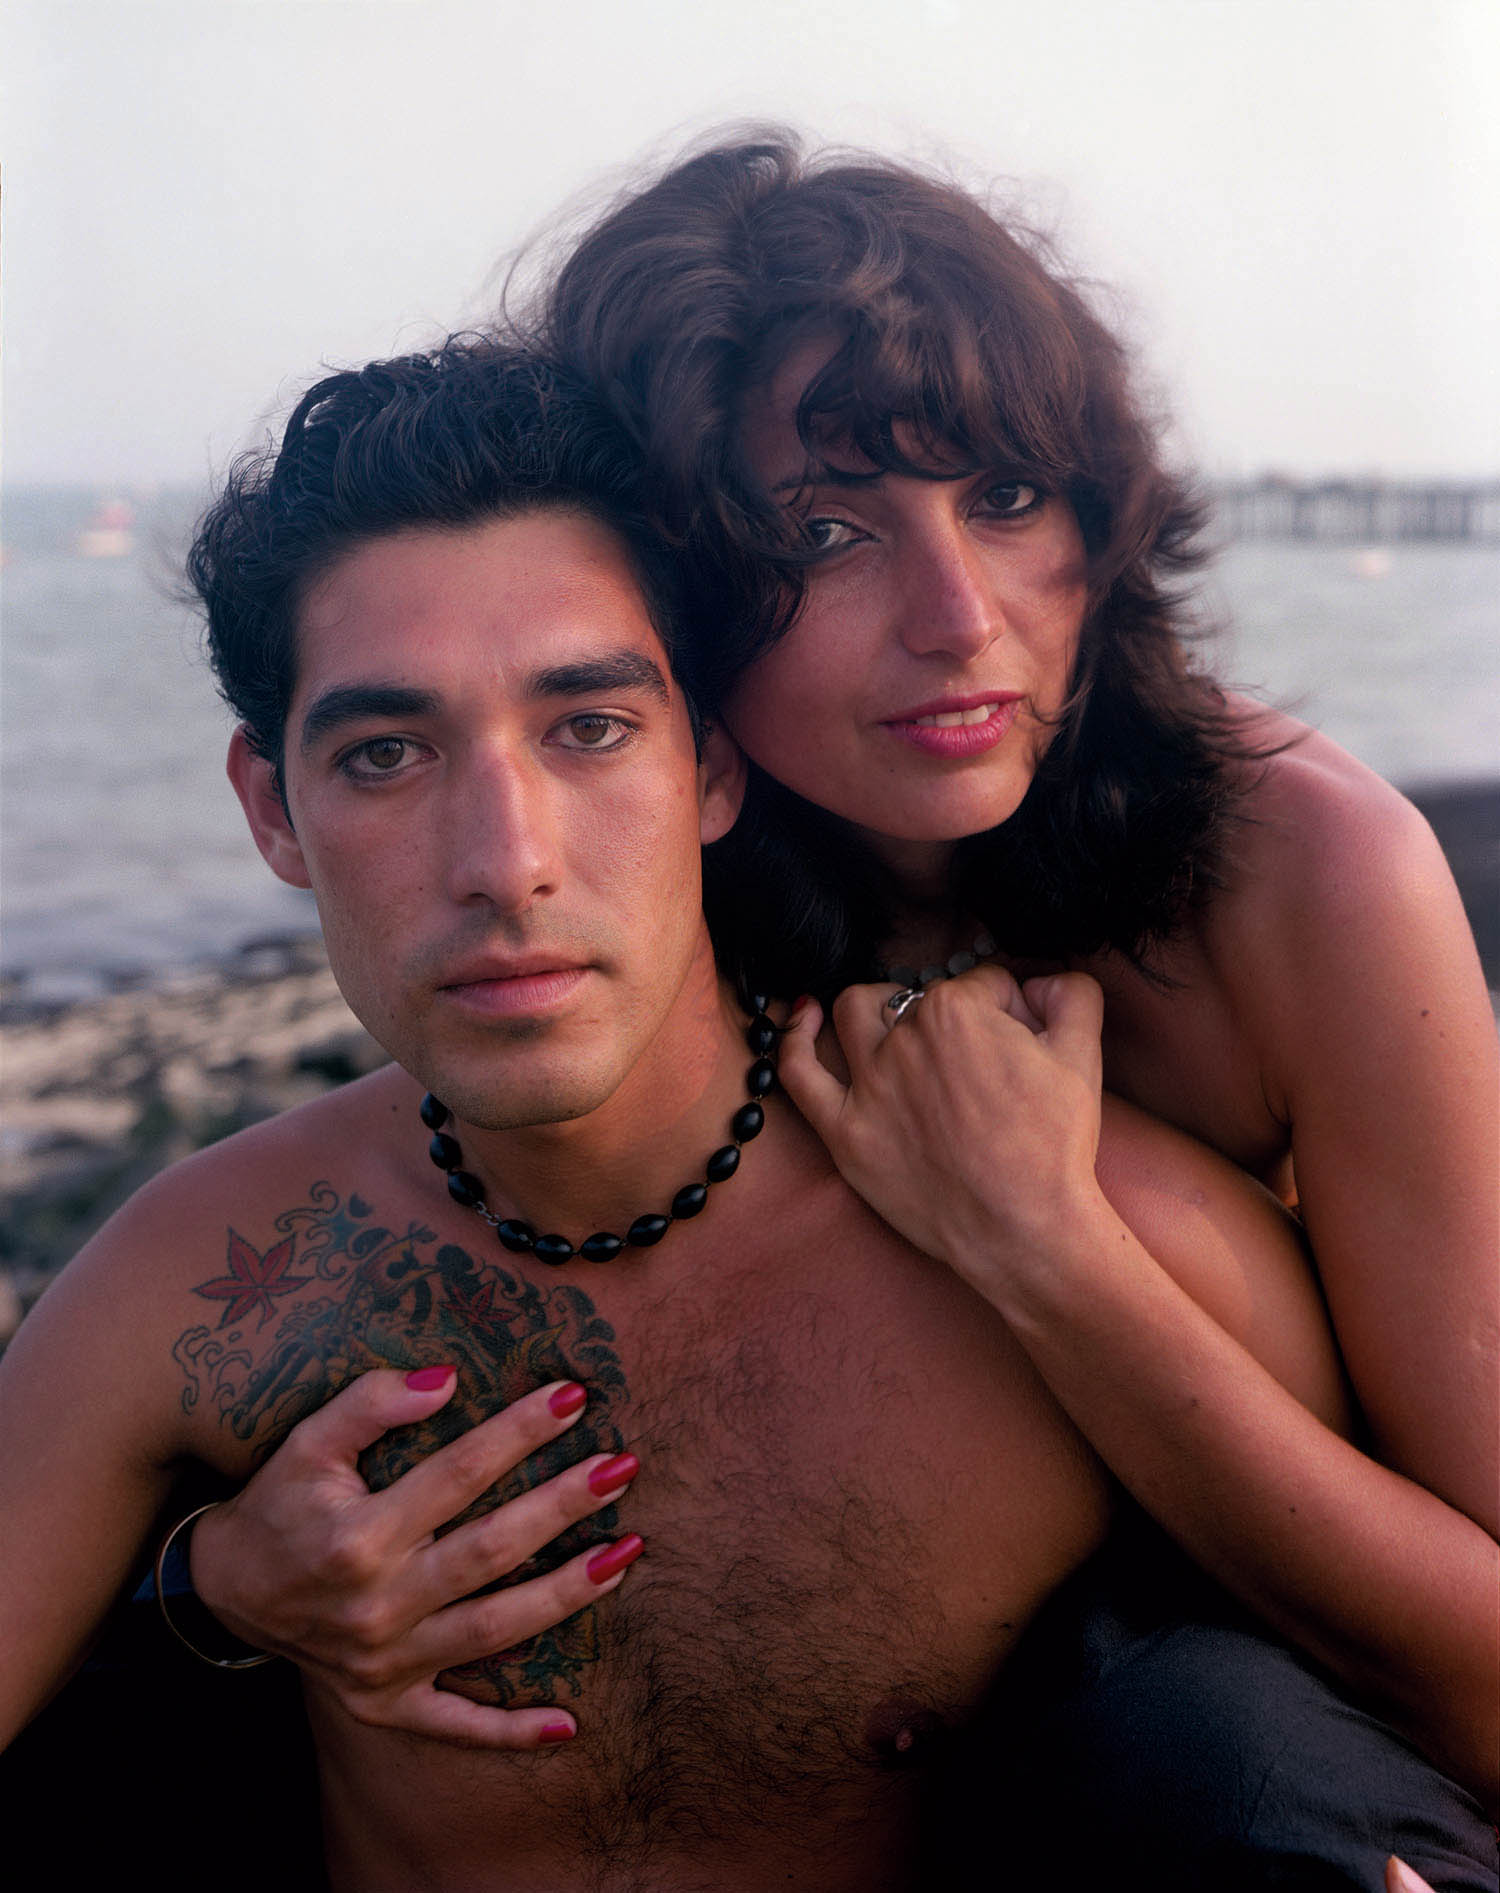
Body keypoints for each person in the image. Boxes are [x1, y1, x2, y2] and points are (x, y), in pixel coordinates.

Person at [177, 133, 1496, 1885]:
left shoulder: (1305, 869)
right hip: (901, 1696)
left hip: (1295, 1721)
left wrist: (1047, 1245)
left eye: (1008, 499)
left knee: (1180, 1736)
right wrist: (205, 1581)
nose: (962, 622)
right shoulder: (621, 875)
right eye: (824, 530)